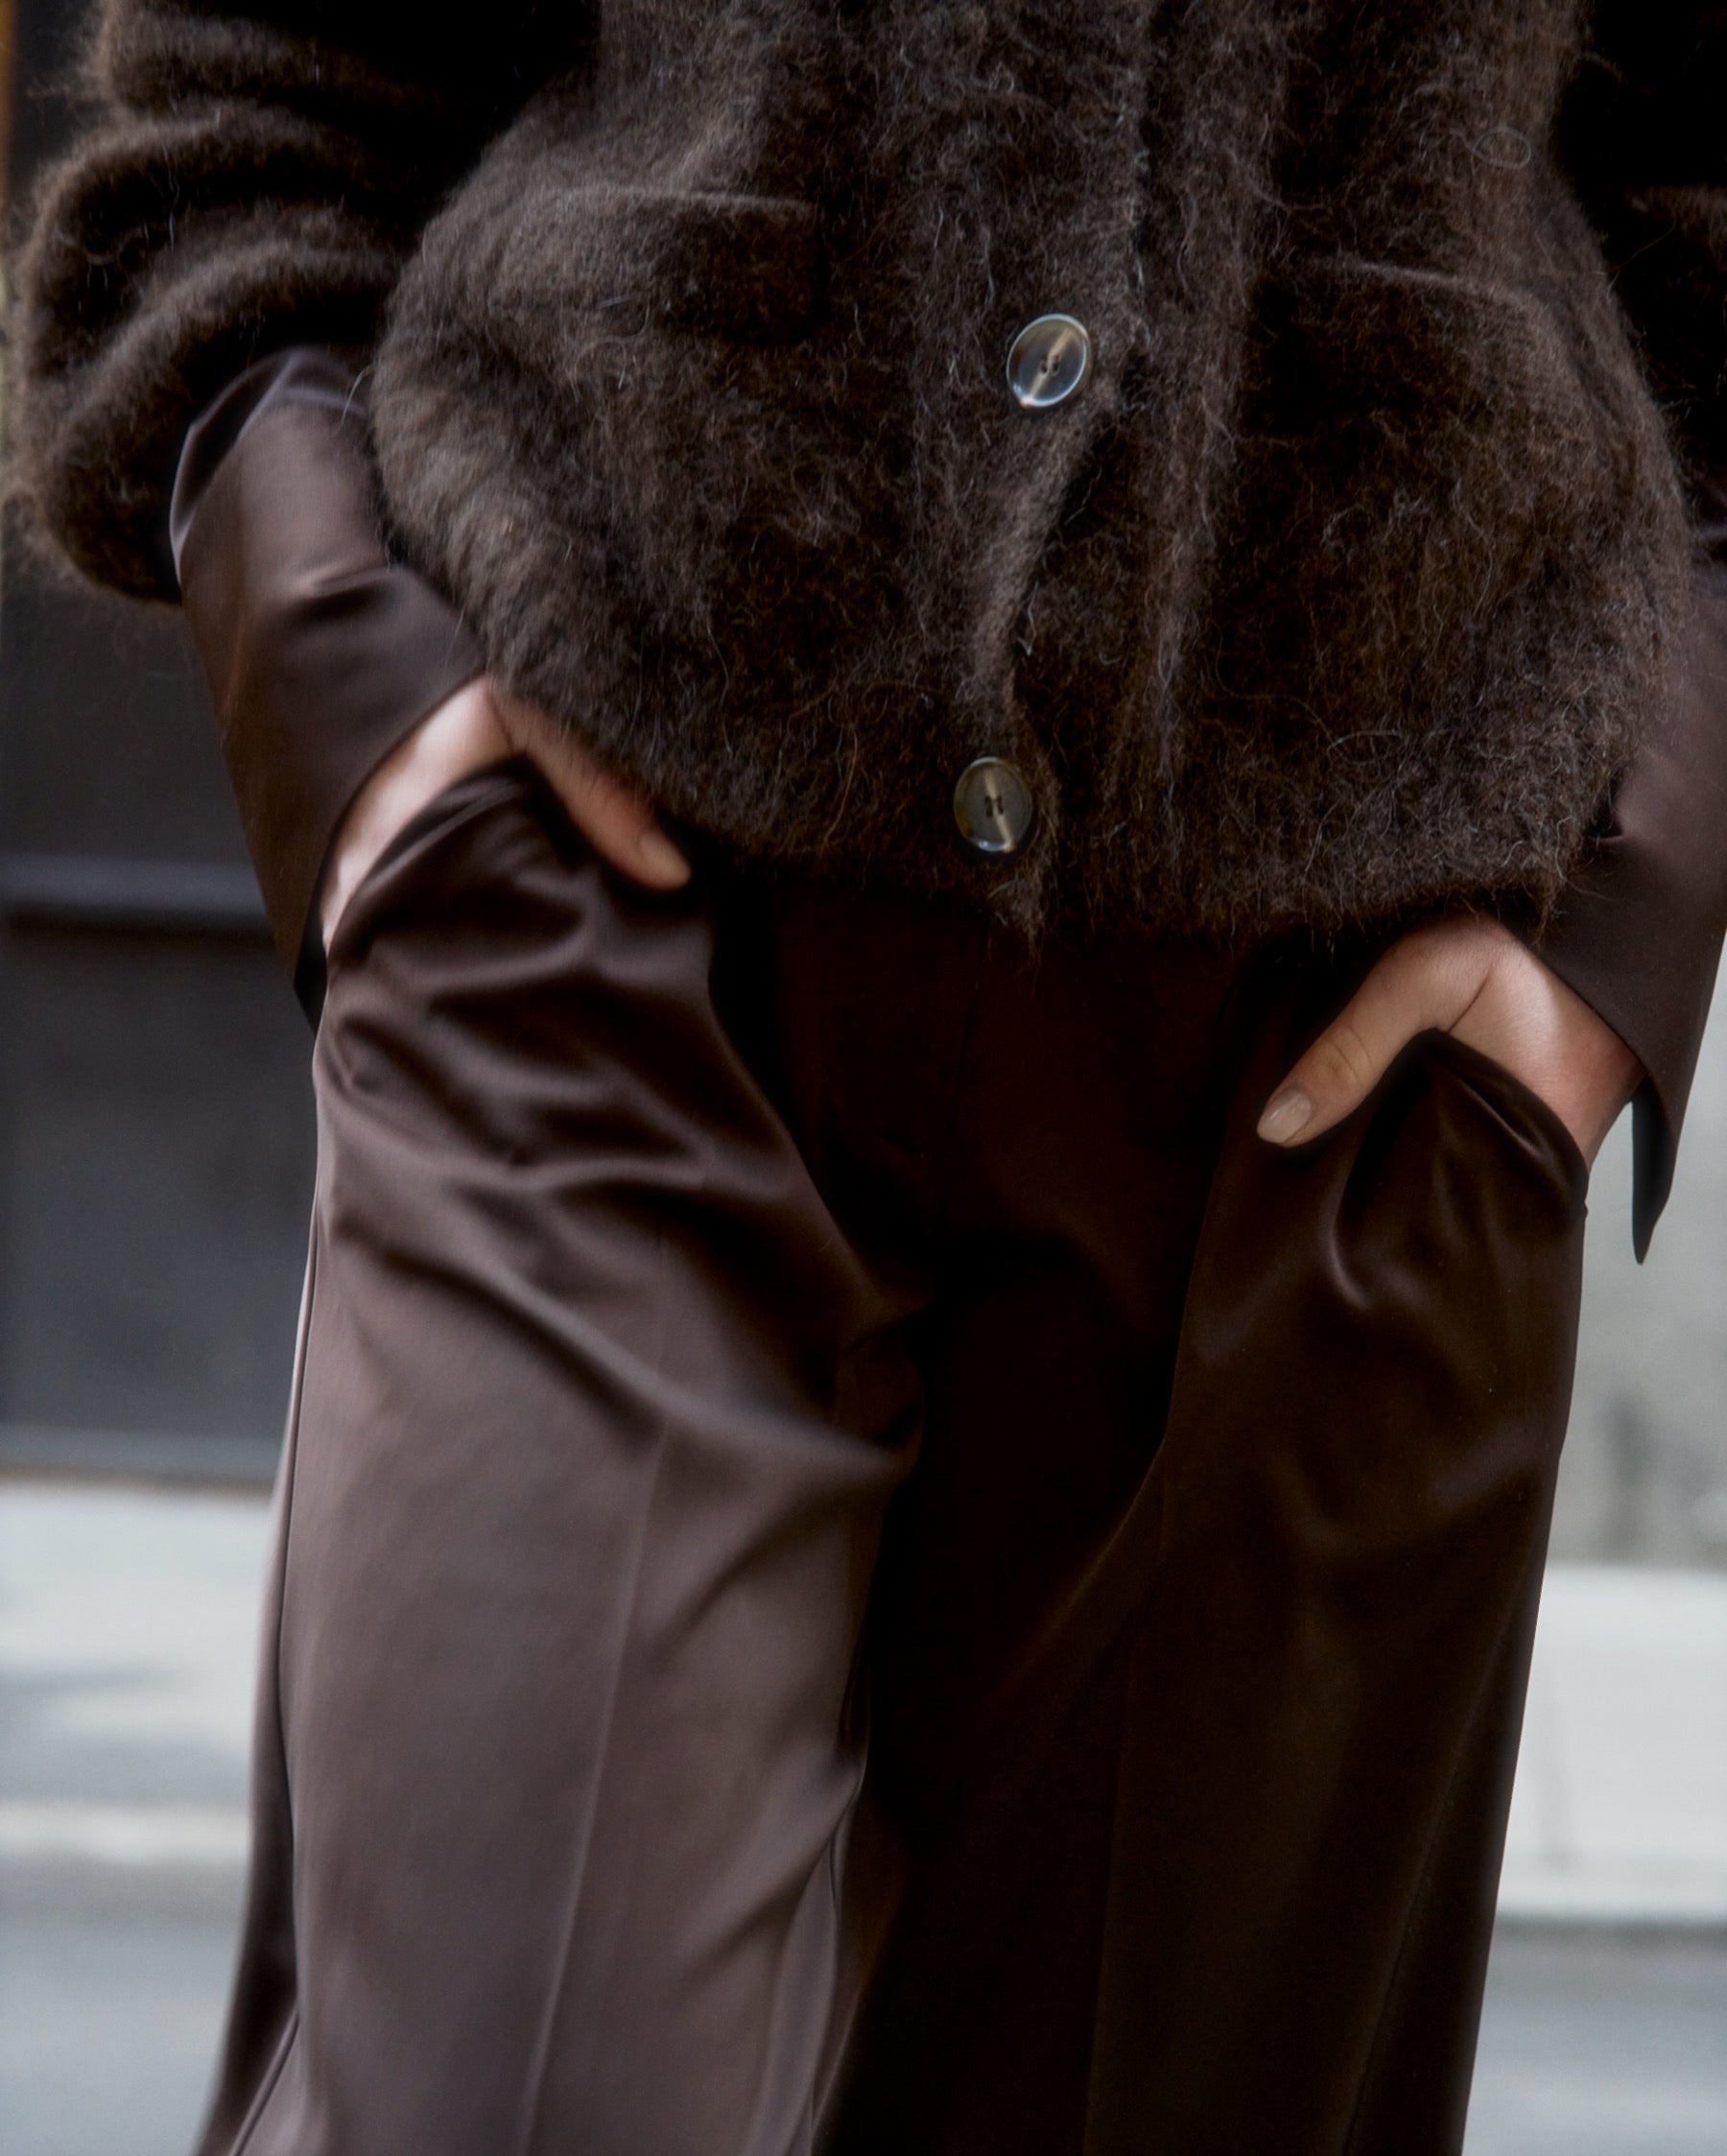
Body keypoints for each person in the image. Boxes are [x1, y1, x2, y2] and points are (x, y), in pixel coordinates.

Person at [12, 4, 1727, 2150]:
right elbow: (250, 98)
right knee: (503, 2088)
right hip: (597, 957)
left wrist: (1629, 903)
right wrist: (358, 694)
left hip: (1335, 1093)